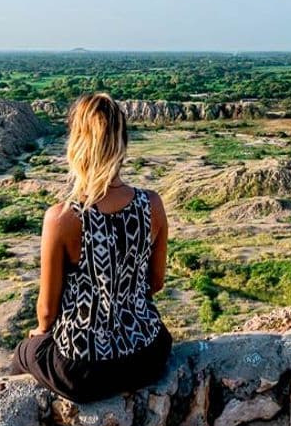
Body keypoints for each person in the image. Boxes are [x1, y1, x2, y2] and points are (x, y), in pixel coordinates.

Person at [11, 93, 173, 403]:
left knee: (22, 355)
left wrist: (40, 333)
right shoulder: (152, 204)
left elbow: (46, 313)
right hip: (149, 353)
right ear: (122, 144)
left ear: (77, 146)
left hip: (84, 369)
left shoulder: (62, 218)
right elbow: (156, 283)